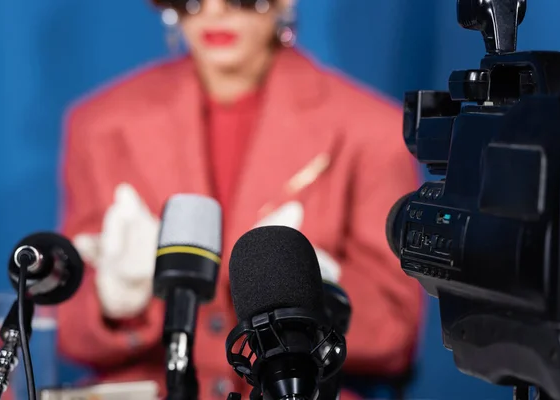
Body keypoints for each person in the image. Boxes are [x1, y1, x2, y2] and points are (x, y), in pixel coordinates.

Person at [57, 0, 423, 398]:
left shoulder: (373, 131)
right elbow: (66, 327)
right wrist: (113, 300)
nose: (214, 12)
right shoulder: (100, 124)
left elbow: (395, 333)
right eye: (191, 1)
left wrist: (315, 300)